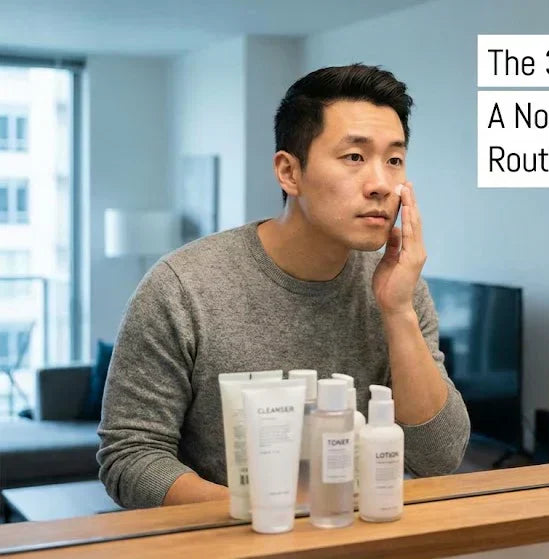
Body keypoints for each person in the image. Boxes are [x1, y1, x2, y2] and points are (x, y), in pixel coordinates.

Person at [98, 64, 470, 509]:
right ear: (289, 172)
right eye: (354, 157)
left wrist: (397, 311)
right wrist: (259, 514)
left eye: (394, 160)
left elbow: (440, 458)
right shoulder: (182, 287)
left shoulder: (399, 286)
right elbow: (130, 456)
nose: (381, 184)